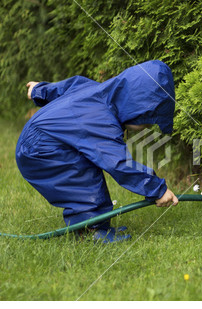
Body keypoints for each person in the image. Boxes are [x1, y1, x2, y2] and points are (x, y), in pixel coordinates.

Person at [16, 60, 179, 243]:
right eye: (147, 122)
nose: (145, 127)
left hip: (38, 141)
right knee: (82, 173)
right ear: (135, 109)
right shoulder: (101, 122)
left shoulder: (93, 89)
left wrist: (39, 90)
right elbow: (119, 164)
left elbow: (66, 87)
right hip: (41, 152)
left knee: (85, 164)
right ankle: (90, 230)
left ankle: (97, 225)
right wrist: (157, 189)